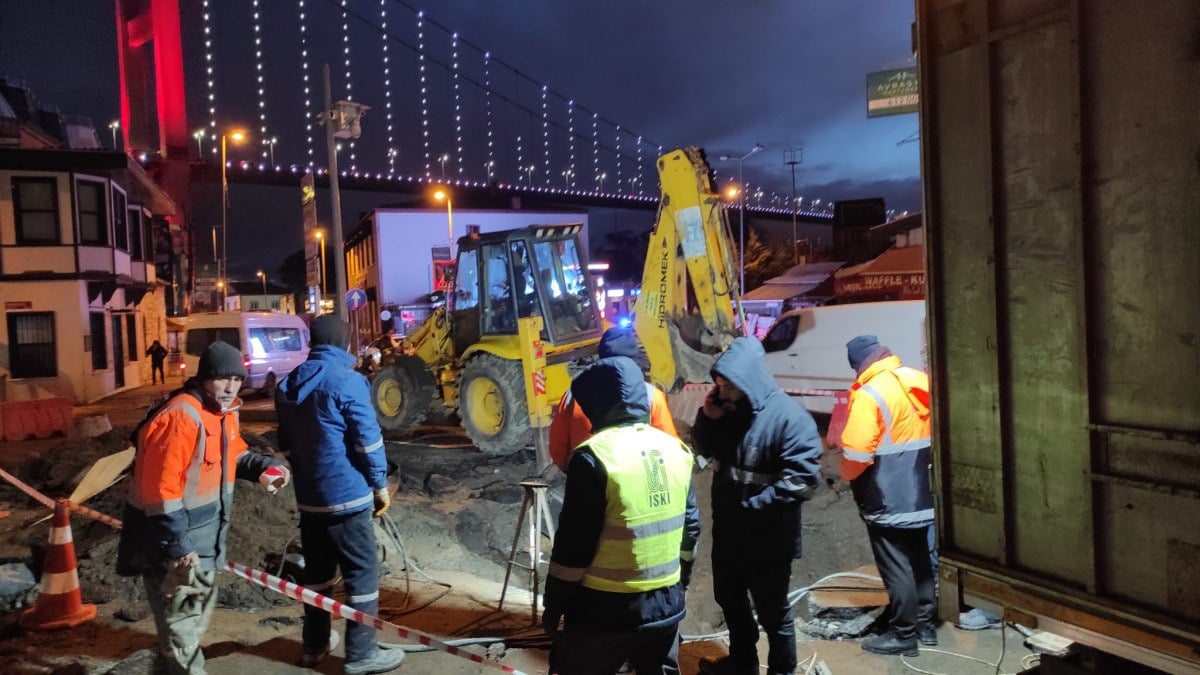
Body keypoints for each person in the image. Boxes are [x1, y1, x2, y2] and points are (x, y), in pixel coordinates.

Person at [117, 341, 290, 675]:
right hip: (174, 548)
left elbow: (234, 454)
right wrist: (179, 546)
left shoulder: (222, 413)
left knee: (192, 620)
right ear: (204, 378)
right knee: (180, 626)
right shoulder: (182, 416)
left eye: (236, 380)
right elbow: (160, 492)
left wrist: (262, 469)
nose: (230, 387)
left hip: (206, 542)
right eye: (222, 379)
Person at [542, 356, 699, 675]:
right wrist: (680, 580)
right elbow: (690, 530)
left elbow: (573, 549)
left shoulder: (592, 457)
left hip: (604, 609)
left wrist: (554, 605)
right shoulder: (676, 451)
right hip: (666, 605)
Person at [274, 315, 403, 675]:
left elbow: (285, 443)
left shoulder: (287, 384)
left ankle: (314, 646)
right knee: (362, 575)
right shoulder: (349, 381)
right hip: (347, 498)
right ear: (344, 343)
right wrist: (379, 485)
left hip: (309, 501)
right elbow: (368, 441)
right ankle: (362, 654)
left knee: (317, 576)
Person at [692, 337, 823, 675]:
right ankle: (743, 663)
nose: (722, 392)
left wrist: (750, 508)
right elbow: (706, 447)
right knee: (731, 602)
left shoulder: (790, 419)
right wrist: (709, 417)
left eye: (727, 386)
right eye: (718, 386)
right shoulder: (732, 412)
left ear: (748, 380)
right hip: (729, 535)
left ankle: (782, 670)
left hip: (768, 540)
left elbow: (802, 482)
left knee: (773, 612)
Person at [839, 334, 936, 657]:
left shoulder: (870, 394)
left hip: (887, 498)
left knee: (897, 567)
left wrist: (847, 477)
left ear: (858, 364)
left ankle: (903, 635)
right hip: (923, 491)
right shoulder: (916, 379)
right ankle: (926, 626)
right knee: (921, 560)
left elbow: (855, 455)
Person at [548, 326, 678, 472]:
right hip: (637, 482)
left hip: (588, 480)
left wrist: (574, 473)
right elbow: (671, 447)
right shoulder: (651, 395)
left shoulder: (574, 393)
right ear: (634, 359)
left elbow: (558, 449)